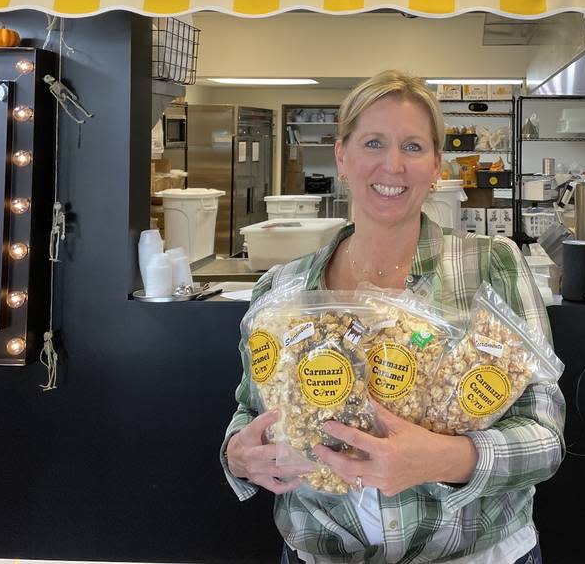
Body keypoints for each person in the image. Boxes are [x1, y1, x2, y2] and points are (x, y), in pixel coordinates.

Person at [221, 71, 565, 564]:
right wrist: (238, 455)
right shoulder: (283, 289)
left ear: (435, 167)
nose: (392, 165)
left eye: (412, 147)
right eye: (373, 143)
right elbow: (249, 410)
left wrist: (443, 458)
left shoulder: (491, 265)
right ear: (342, 156)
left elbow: (546, 437)